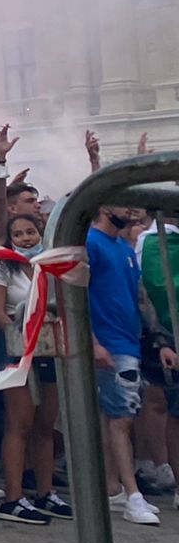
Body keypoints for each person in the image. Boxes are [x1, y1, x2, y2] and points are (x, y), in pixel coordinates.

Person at [88, 203, 172, 525]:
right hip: (110, 345)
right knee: (121, 419)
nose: (133, 212)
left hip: (129, 342)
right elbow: (75, 295)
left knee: (116, 416)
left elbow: (140, 296)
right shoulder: (91, 244)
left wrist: (160, 340)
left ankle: (114, 488)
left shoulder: (122, 247)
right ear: (106, 206)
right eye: (125, 204)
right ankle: (132, 494)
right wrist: (94, 343)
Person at [0, 212, 64, 524]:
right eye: (18, 234)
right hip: (16, 345)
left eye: (30, 232)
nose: (26, 239)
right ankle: (13, 496)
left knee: (46, 423)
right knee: (19, 422)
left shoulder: (49, 266)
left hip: (48, 345)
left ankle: (45, 492)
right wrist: (19, 337)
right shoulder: (2, 265)